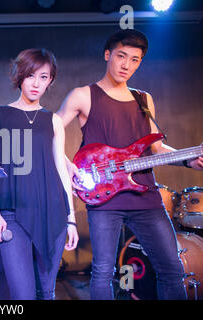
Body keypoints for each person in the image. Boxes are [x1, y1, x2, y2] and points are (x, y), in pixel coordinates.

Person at [57, 29, 203, 300]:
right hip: (104, 201)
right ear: (107, 55)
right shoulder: (83, 95)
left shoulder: (143, 99)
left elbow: (156, 148)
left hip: (146, 197)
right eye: (121, 56)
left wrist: (188, 160)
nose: (126, 65)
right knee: (102, 272)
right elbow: (50, 132)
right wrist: (67, 165)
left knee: (172, 270)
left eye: (135, 60)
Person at [0, 48, 79, 300]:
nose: (36, 83)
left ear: (51, 81)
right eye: (31, 75)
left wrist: (71, 218)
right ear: (20, 76)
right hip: (12, 214)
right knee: (22, 295)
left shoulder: (53, 121)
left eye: (44, 77)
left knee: (47, 293)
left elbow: (61, 169)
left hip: (53, 213)